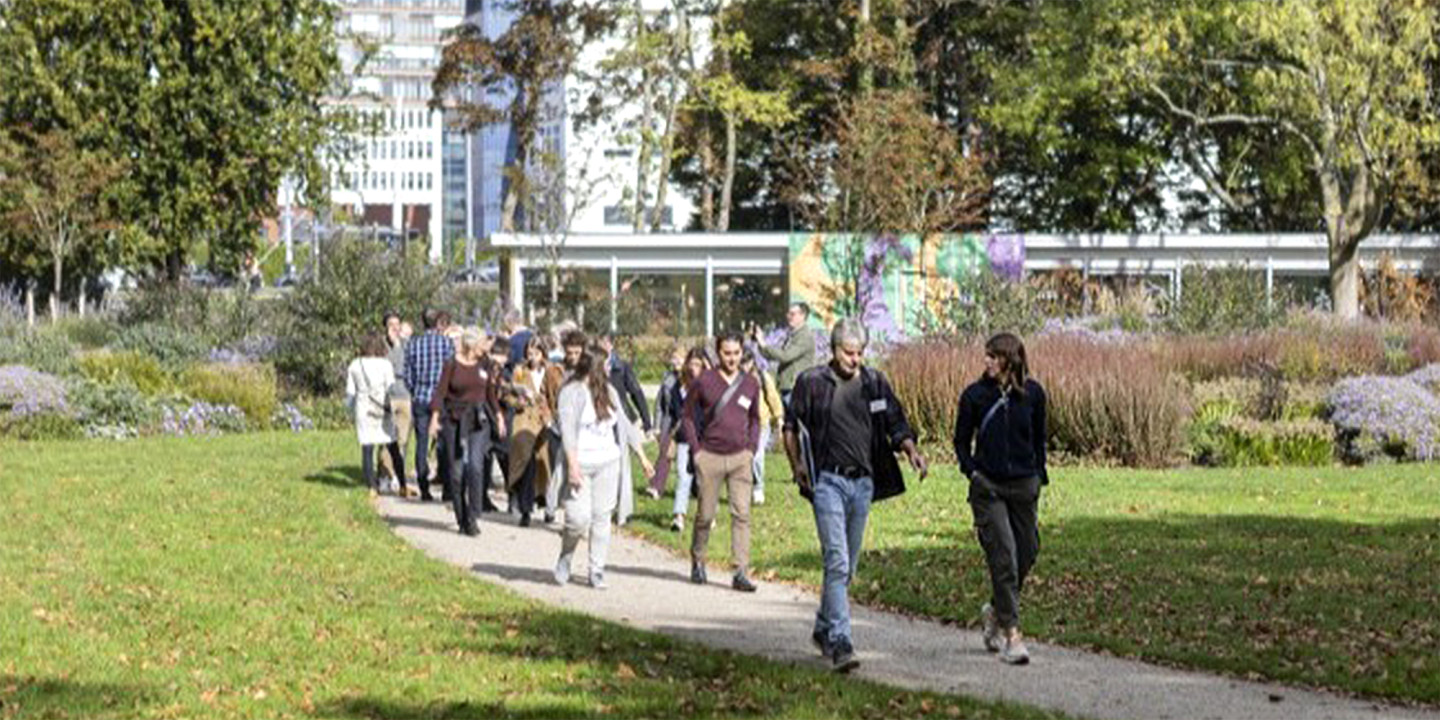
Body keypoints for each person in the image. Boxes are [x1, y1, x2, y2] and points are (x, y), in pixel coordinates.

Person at [784, 318, 928, 673]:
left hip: (862, 484)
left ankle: (822, 627)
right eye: (849, 353)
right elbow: (790, 427)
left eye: (860, 352)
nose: (855, 359)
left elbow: (895, 421)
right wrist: (797, 466)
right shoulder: (812, 382)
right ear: (834, 350)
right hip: (828, 483)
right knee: (837, 561)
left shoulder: (874, 383)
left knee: (847, 567)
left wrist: (910, 450)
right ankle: (842, 642)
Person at [952, 332, 1048, 666]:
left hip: (1024, 487)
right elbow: (961, 442)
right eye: (986, 356)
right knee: (1004, 555)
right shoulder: (975, 396)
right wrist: (972, 472)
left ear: (1010, 359)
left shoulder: (1034, 395)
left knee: (1028, 552)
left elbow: (1039, 440)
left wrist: (1039, 477)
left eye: (993, 357)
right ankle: (1012, 634)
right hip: (988, 488)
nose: (987, 362)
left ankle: (995, 609)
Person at [554, 340, 654, 589]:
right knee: (577, 520)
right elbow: (566, 432)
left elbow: (625, 425)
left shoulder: (608, 391)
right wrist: (573, 467)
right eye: (606, 364)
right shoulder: (571, 392)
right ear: (594, 366)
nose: (611, 368)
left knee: (602, 518)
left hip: (608, 462)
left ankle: (596, 569)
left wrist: (642, 457)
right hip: (581, 463)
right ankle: (566, 556)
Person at [681, 332, 762, 592]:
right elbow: (687, 417)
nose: (732, 358)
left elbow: (755, 419)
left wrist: (751, 448)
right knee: (705, 514)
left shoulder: (750, 383)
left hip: (740, 458)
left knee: (742, 514)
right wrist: (696, 452)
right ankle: (698, 559)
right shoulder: (704, 381)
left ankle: (740, 571)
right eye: (727, 353)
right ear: (718, 353)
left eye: (736, 353)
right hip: (710, 457)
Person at [429, 328, 502, 536]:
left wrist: (498, 415)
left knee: (476, 468)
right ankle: (461, 518)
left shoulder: (484, 364)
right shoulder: (451, 364)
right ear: (471, 344)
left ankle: (473, 516)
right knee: (457, 473)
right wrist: (435, 418)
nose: (485, 348)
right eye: (482, 344)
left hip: (479, 421)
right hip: (454, 420)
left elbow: (490, 394)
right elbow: (440, 392)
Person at [507, 336, 563, 527]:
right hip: (524, 421)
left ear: (543, 354)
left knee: (546, 465)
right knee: (526, 464)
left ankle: (548, 504)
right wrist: (517, 402)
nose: (532, 358)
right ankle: (525, 509)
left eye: (536, 353)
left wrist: (553, 413)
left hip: (544, 422)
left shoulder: (552, 371)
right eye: (529, 354)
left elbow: (556, 394)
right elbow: (509, 395)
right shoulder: (520, 372)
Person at [345, 333, 407, 497]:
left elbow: (351, 393)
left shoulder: (355, 365)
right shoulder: (386, 364)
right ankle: (403, 485)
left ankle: (372, 487)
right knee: (393, 448)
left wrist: (348, 409)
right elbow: (391, 388)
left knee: (367, 449)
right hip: (382, 410)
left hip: (364, 410)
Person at [404, 309, 454, 502]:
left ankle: (423, 486)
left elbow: (407, 374)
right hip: (441, 399)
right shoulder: (447, 344)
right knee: (443, 443)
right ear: (438, 323)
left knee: (422, 443)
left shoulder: (413, 344)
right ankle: (447, 488)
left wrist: (415, 389)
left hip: (421, 397)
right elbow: (451, 371)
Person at [543, 329, 588, 523]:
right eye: (570, 353)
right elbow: (546, 394)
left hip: (584, 427)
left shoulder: (589, 371)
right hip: (563, 425)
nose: (573, 357)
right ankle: (551, 506)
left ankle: (576, 510)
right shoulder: (556, 370)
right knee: (561, 467)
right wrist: (548, 416)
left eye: (577, 353)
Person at [666, 347, 709, 531]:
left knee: (704, 479)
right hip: (685, 437)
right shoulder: (680, 386)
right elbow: (676, 411)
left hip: (705, 438)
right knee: (683, 477)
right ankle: (679, 516)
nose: (694, 368)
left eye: (698, 364)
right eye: (691, 364)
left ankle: (707, 514)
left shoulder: (709, 384)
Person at [753, 302, 819, 406]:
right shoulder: (793, 334)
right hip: (788, 386)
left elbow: (785, 356)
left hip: (796, 387)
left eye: (792, 314)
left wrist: (765, 345)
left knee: (796, 420)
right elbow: (776, 356)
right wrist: (762, 346)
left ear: (802, 315)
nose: (788, 317)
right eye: (788, 314)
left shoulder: (804, 336)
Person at [741, 349, 784, 506]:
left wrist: (778, 417)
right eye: (742, 363)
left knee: (757, 455)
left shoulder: (762, 377)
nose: (744, 366)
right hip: (743, 423)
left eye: (746, 362)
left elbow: (773, 397)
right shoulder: (737, 379)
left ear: (752, 361)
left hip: (762, 422)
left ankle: (758, 488)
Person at [644, 345, 686, 500]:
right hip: (669, 421)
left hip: (685, 421)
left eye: (678, 358)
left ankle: (696, 488)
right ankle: (656, 486)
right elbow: (659, 404)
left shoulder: (690, 377)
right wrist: (656, 426)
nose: (674, 361)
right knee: (664, 453)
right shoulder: (667, 378)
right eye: (673, 358)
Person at [380, 313, 414, 496]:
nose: (394, 328)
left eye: (397, 324)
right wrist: (395, 347)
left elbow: (408, 366)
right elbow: (388, 367)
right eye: (390, 324)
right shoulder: (383, 346)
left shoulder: (406, 344)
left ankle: (397, 476)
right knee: (387, 439)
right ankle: (384, 475)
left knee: (402, 439)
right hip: (388, 397)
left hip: (405, 395)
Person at [597, 332, 652, 433]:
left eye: (605, 343)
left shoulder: (622, 367)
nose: (603, 347)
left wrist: (646, 421)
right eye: (600, 344)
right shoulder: (592, 367)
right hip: (600, 418)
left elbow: (637, 393)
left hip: (622, 416)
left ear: (611, 345)